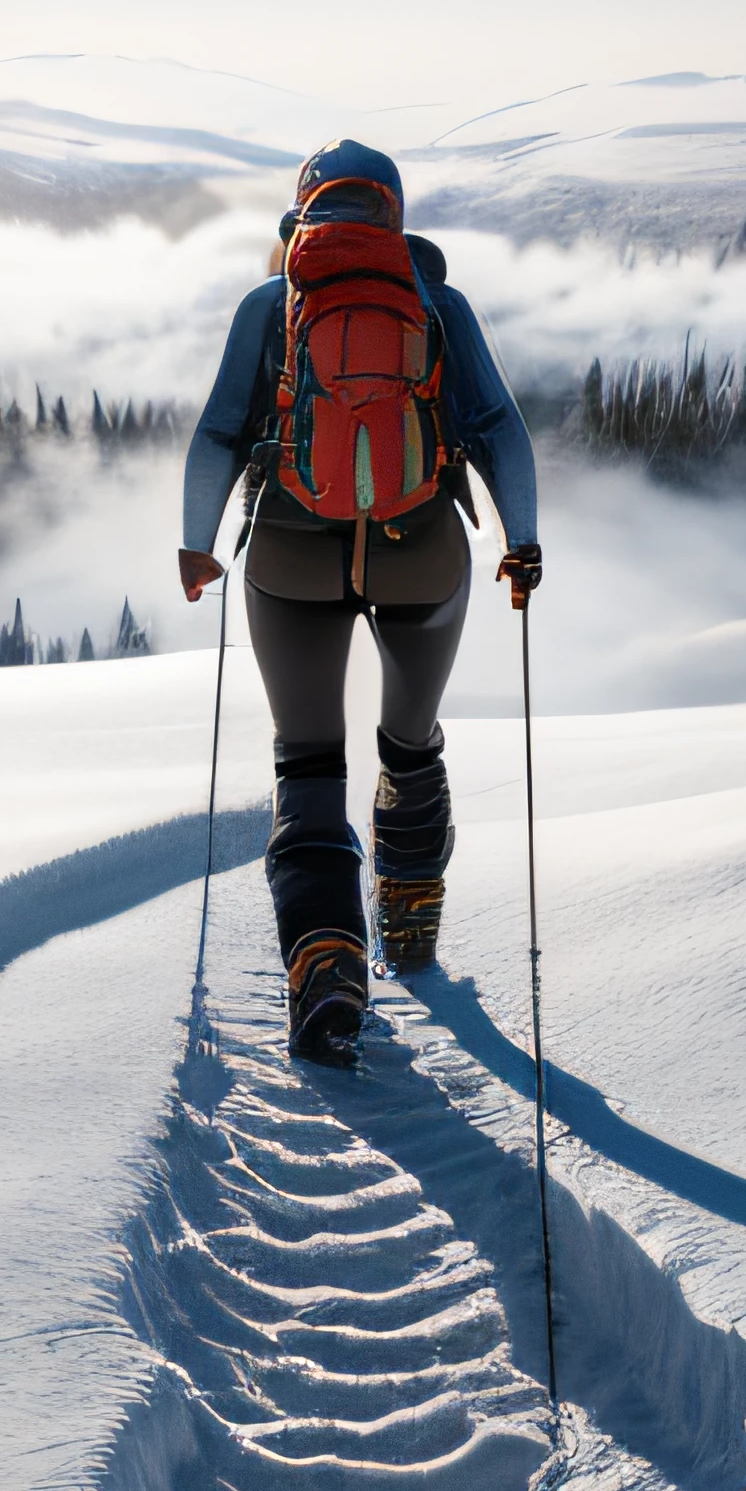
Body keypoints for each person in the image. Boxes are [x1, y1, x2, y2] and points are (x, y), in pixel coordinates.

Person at [179, 140, 541, 1063]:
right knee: (409, 741)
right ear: (394, 213)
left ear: (303, 210)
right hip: (419, 553)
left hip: (291, 559)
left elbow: (220, 429)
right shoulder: (435, 302)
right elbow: (499, 425)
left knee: (307, 762)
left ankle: (327, 968)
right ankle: (410, 919)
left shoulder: (273, 303)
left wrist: (197, 544)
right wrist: (520, 542)